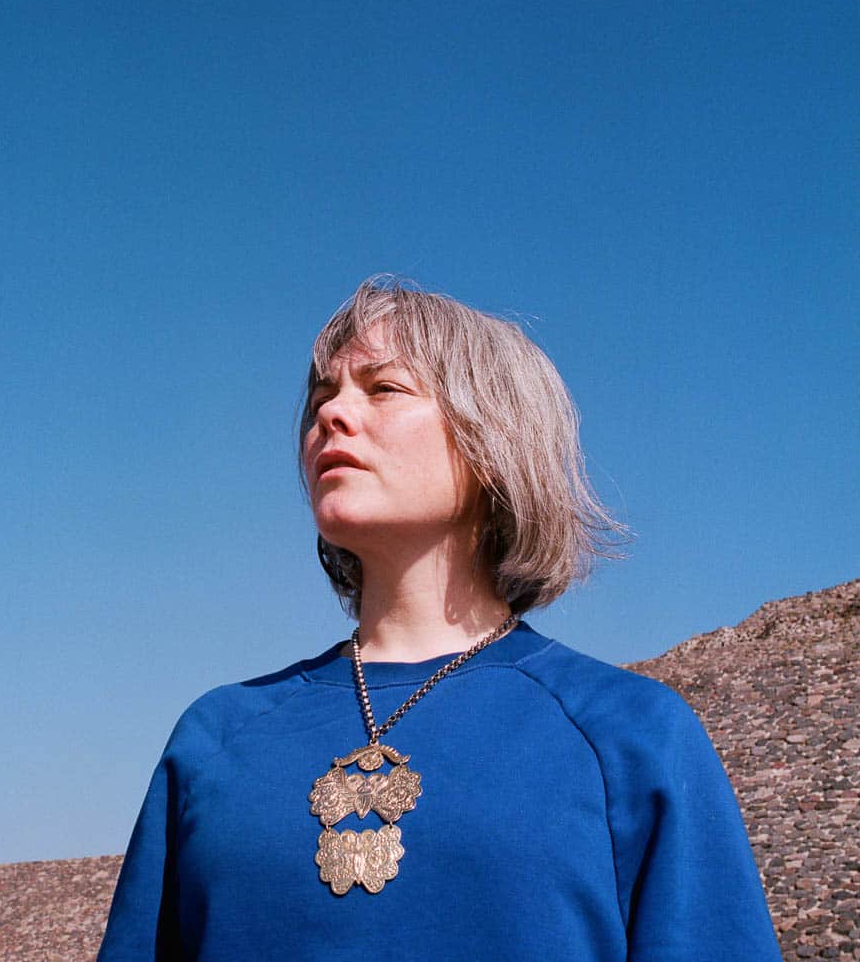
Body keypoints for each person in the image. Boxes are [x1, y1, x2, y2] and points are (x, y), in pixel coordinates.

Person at [97, 276, 782, 961]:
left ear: (494, 438)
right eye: (320, 397)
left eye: (383, 388)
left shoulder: (629, 735)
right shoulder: (217, 737)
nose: (333, 415)